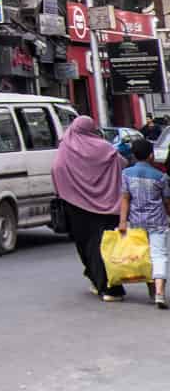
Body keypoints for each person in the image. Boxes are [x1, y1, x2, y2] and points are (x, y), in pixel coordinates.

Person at [54, 115, 129, 301]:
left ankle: (99, 282)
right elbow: (122, 163)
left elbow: (57, 169)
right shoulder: (104, 147)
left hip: (76, 206)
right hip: (107, 205)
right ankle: (111, 288)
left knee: (86, 245)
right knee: (107, 245)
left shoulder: (66, 147)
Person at [120, 138, 170, 310]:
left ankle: (151, 290)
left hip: (136, 223)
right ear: (151, 155)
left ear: (133, 155)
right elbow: (167, 202)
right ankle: (159, 292)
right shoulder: (161, 177)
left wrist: (122, 222)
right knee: (159, 256)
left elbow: (125, 198)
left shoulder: (126, 174)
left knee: (144, 257)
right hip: (158, 222)